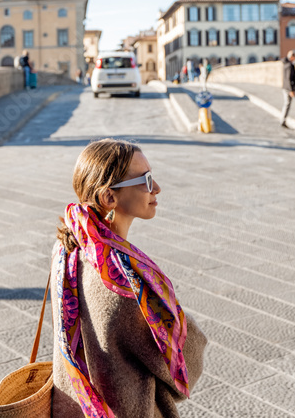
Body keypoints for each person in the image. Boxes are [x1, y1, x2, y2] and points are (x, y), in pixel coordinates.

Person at [52, 139, 207, 417]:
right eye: (146, 180)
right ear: (109, 198)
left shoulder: (68, 247)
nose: (156, 187)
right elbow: (181, 368)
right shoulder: (125, 283)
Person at [280, 50, 295, 126]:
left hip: (285, 87)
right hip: (291, 88)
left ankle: (283, 120)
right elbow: (289, 78)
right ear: (292, 57)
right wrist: (291, 90)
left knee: (287, 104)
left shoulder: (286, 63)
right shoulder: (290, 66)